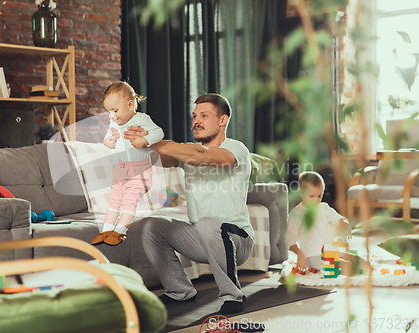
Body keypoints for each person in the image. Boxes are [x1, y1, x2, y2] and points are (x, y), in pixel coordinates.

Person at [124, 93, 254, 316]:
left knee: (207, 223)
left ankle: (233, 296)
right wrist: (140, 140)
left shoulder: (236, 149)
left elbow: (203, 156)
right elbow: (156, 158)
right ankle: (179, 290)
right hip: (200, 238)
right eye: (194, 116)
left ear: (223, 120)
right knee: (151, 226)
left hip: (237, 239)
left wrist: (156, 141)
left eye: (204, 115)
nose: (196, 121)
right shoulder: (188, 153)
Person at [91, 81, 164, 246]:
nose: (112, 116)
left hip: (140, 171)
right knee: (114, 201)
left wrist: (145, 140)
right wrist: (108, 142)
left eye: (115, 111)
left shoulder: (142, 119)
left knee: (128, 201)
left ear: (130, 105)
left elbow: (159, 132)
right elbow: (109, 137)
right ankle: (106, 230)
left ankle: (120, 232)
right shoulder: (115, 123)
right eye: (109, 112)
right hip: (121, 170)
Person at [286, 171, 365, 276]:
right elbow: (289, 240)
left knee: (361, 261)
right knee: (348, 266)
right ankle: (339, 271)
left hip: (330, 252)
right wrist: (300, 254)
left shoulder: (324, 208)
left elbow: (338, 219)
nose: (316, 200)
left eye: (319, 196)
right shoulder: (296, 214)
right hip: (313, 257)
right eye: (311, 196)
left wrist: (345, 223)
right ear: (301, 192)